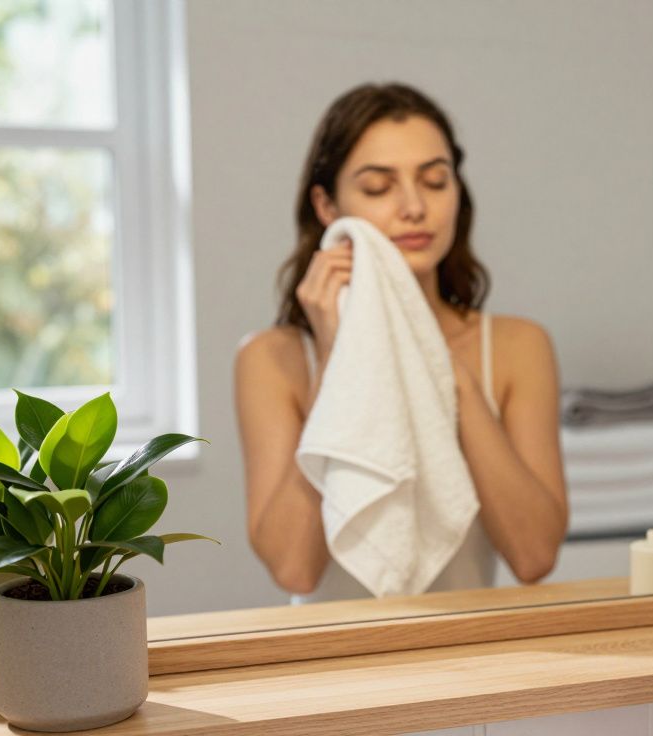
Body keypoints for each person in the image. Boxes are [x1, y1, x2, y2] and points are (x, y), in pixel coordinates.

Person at [235, 83, 567, 600]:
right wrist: (335, 361)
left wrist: (436, 365)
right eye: (377, 188)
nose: (414, 207)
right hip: (327, 667)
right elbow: (294, 568)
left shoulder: (516, 347)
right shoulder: (271, 360)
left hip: (467, 661)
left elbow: (534, 556)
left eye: (435, 181)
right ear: (326, 206)